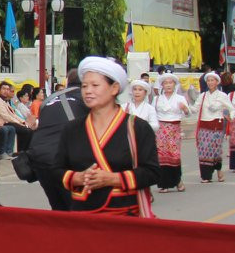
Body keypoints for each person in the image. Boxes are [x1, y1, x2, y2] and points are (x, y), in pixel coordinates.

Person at [60, 57, 160, 216]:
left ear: (114, 88)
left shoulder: (137, 127)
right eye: (84, 86)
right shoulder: (72, 129)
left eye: (95, 85)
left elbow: (152, 172)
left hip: (123, 216)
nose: (88, 91)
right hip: (82, 216)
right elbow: (55, 170)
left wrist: (113, 179)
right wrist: (78, 177)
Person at [27, 68, 83, 210]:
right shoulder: (86, 98)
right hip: (64, 158)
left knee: (58, 208)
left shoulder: (49, 100)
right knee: (77, 208)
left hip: (39, 157)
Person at [152, 73, 190, 192]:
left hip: (174, 129)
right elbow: (152, 114)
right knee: (161, 156)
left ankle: (177, 180)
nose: (168, 85)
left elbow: (188, 113)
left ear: (174, 84)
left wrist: (184, 109)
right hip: (160, 129)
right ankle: (164, 184)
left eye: (170, 83)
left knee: (174, 155)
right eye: (165, 83)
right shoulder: (156, 99)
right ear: (162, 85)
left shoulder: (180, 98)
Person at [194, 71, 230, 184]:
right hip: (204, 124)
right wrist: (185, 109)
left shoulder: (222, 95)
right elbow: (195, 108)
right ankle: (206, 175)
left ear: (217, 82)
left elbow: (229, 109)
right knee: (203, 150)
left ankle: (218, 169)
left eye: (212, 80)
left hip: (216, 124)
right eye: (208, 80)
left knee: (215, 149)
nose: (210, 82)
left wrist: (223, 110)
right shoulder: (202, 96)